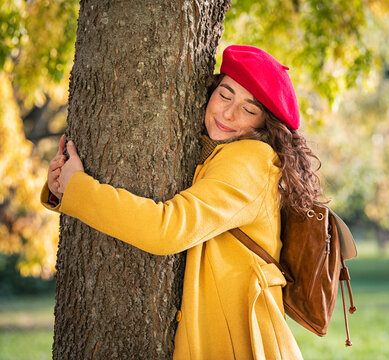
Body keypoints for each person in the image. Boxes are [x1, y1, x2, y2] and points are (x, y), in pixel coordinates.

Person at [42, 45, 324, 359]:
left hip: (241, 344)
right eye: (225, 95)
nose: (228, 113)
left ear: (265, 124)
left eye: (249, 108)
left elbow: (168, 229)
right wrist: (65, 190)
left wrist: (79, 189)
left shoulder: (249, 160)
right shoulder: (221, 155)